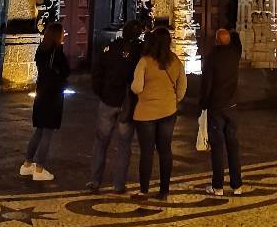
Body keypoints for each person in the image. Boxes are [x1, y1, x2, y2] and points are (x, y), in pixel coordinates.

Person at [86, 20, 143, 194]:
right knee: (124, 145)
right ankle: (119, 184)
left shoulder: (109, 49)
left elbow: (97, 74)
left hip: (108, 101)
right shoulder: (140, 53)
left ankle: (95, 180)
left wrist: (102, 94)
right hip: (127, 103)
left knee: (101, 142)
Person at [131, 25, 187, 200]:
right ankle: (164, 190)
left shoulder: (145, 61)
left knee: (147, 152)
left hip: (146, 113)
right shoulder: (175, 61)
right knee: (165, 150)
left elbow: (137, 87)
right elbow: (183, 86)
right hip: (168, 111)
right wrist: (174, 100)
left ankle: (144, 190)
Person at [20, 22, 69, 180]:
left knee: (39, 130)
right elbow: (65, 70)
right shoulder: (56, 52)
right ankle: (39, 169)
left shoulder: (41, 50)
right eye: (62, 32)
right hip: (53, 94)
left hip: (41, 92)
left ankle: (27, 164)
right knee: (48, 131)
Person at [199, 28, 243, 197]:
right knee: (233, 145)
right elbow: (238, 43)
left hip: (216, 107)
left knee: (217, 147)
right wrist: (234, 32)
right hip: (231, 106)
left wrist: (203, 103)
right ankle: (237, 185)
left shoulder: (212, 59)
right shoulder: (235, 55)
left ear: (216, 41)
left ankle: (218, 186)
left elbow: (206, 84)